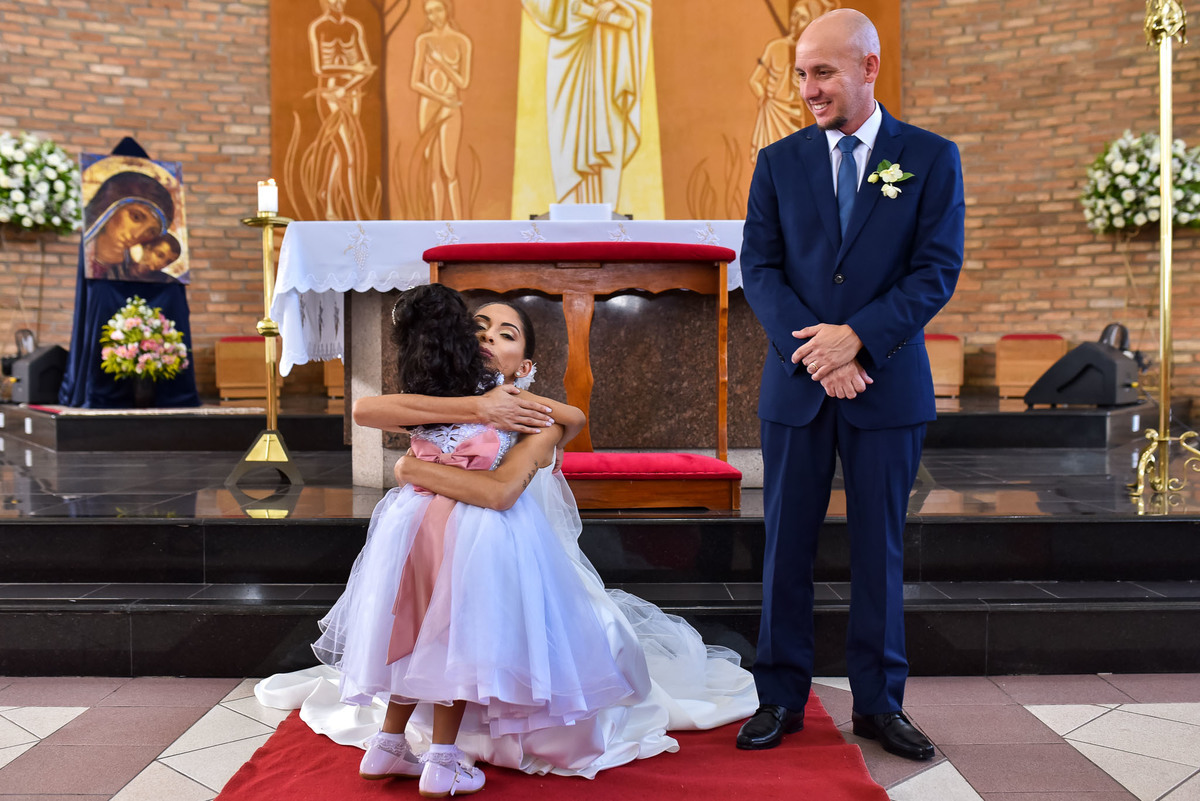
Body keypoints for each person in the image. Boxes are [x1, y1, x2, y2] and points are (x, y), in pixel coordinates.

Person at [256, 291, 756, 787]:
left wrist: (414, 466)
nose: (489, 337)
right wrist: (479, 405)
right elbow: (365, 409)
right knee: (423, 626)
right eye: (480, 329)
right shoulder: (442, 399)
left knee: (447, 629)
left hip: (472, 531)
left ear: (526, 363)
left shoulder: (532, 421)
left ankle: (422, 750)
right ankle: (408, 748)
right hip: (423, 531)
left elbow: (523, 469)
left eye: (506, 333)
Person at [736, 9, 964, 761]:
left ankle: (879, 703)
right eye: (801, 73)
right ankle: (779, 696)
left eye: (823, 72)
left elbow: (935, 268)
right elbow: (761, 271)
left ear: (869, 68)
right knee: (784, 547)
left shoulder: (929, 158)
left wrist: (858, 337)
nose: (807, 88)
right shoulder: (777, 162)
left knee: (880, 549)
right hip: (799, 387)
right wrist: (820, 353)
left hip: (887, 384)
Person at [521, 0, 652, 205]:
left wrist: (615, 4)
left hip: (609, 43)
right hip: (568, 39)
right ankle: (570, 204)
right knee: (567, 126)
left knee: (609, 122)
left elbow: (641, 5)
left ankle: (607, 208)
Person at [748, 0, 834, 165]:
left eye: (801, 18)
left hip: (799, 115)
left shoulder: (817, 52)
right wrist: (765, 99)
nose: (794, 22)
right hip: (774, 113)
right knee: (773, 162)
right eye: (794, 16)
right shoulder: (776, 47)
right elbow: (755, 81)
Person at [411, 0, 472, 220]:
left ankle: (459, 224)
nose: (434, 15)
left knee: (449, 168)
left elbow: (463, 82)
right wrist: (439, 97)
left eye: (438, 9)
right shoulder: (423, 41)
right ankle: (435, 224)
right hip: (429, 107)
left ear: (447, 9)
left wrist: (442, 63)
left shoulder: (461, 41)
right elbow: (415, 82)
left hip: (452, 108)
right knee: (433, 170)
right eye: (429, 12)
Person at [83, 171, 174, 280]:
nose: (137, 235)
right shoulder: (78, 256)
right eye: (136, 217)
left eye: (151, 231)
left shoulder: (133, 273)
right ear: (109, 207)